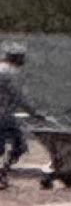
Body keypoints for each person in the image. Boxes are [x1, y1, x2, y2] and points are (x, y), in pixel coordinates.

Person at [0, 43, 28, 183]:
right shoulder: (11, 72)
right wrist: (34, 112)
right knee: (19, 145)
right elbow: (19, 96)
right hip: (3, 115)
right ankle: (2, 172)